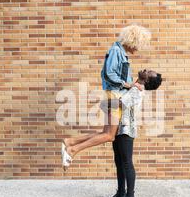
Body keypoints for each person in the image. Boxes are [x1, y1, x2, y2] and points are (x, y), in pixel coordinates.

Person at [61, 24, 151, 169]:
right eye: (140, 44)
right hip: (115, 95)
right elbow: (109, 75)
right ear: (133, 41)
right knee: (109, 135)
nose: (139, 48)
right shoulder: (116, 51)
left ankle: (70, 142)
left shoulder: (119, 51)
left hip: (115, 94)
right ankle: (72, 150)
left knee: (106, 133)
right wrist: (129, 85)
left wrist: (133, 85)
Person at [103, 69, 162, 197]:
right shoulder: (134, 86)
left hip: (126, 130)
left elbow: (120, 103)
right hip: (119, 128)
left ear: (146, 80)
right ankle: (120, 193)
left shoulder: (137, 91)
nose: (146, 70)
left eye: (149, 73)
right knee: (118, 161)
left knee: (127, 163)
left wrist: (104, 103)